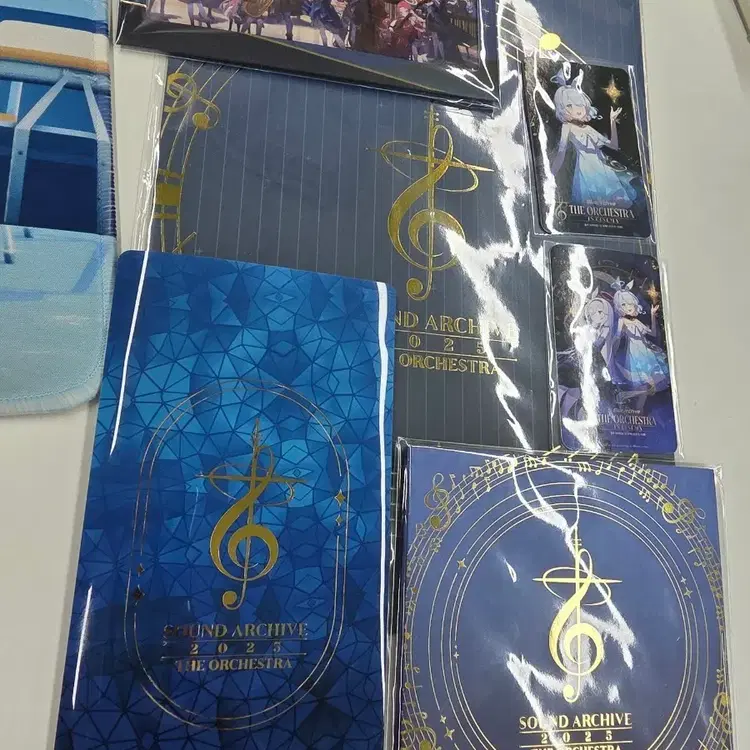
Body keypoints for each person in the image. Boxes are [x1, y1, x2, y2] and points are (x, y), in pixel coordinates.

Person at [550, 64, 638, 209]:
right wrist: (551, 175)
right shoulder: (567, 127)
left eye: (579, 104)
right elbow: (561, 153)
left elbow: (613, 146)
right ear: (563, 108)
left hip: (603, 170)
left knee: (618, 205)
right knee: (589, 207)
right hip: (586, 172)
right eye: (570, 106)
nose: (577, 109)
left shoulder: (589, 129)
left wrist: (612, 121)